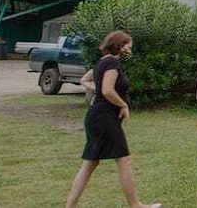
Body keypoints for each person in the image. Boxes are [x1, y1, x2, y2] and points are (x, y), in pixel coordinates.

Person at [65, 31, 161, 208]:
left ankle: (69, 206)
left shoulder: (102, 61)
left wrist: (101, 93)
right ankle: (136, 205)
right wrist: (123, 105)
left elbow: (98, 87)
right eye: (128, 47)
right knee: (123, 160)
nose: (130, 51)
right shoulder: (112, 62)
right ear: (120, 45)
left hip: (97, 116)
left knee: (90, 163)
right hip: (104, 118)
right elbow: (107, 90)